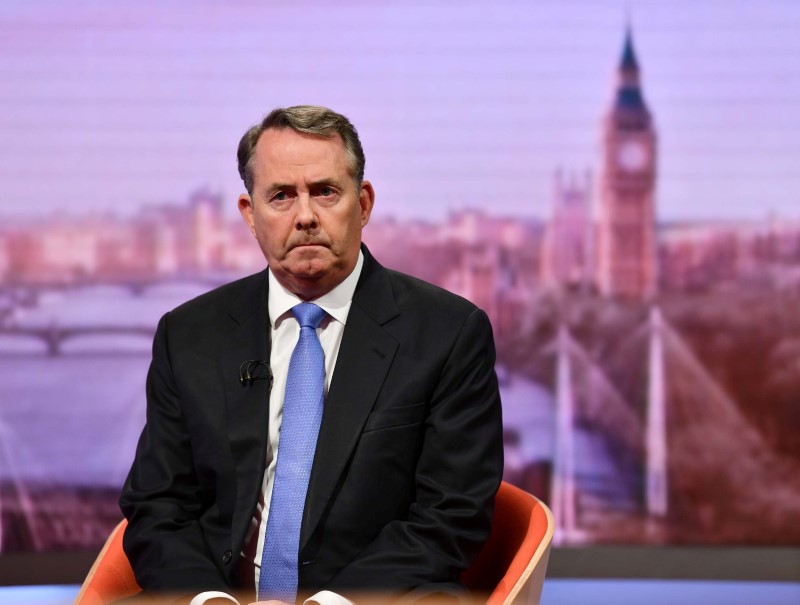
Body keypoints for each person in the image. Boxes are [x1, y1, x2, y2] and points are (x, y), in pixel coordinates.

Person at [119, 105, 503, 605]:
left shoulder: (449, 334)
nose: (305, 216)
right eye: (280, 196)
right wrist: (209, 601)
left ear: (362, 204)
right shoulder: (188, 334)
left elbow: (450, 517)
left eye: (325, 191)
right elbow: (158, 504)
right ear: (249, 215)